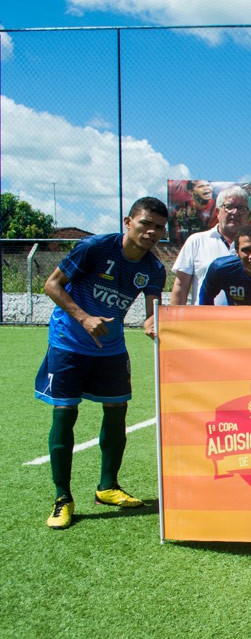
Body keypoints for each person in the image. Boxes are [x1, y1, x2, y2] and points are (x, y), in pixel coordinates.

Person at [35, 197, 169, 530]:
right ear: (128, 222)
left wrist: (152, 323)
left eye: (159, 228)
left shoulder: (154, 268)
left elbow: (152, 312)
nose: (151, 232)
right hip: (69, 343)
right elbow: (52, 285)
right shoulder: (94, 248)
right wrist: (84, 318)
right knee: (65, 413)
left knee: (117, 411)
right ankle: (62, 498)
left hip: (111, 349)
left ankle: (107, 487)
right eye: (145, 223)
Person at [171, 185, 249, 305]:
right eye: (229, 207)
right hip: (203, 316)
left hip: (244, 316)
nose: (235, 212)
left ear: (247, 215)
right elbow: (180, 285)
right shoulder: (196, 241)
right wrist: (175, 316)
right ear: (217, 212)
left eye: (241, 208)